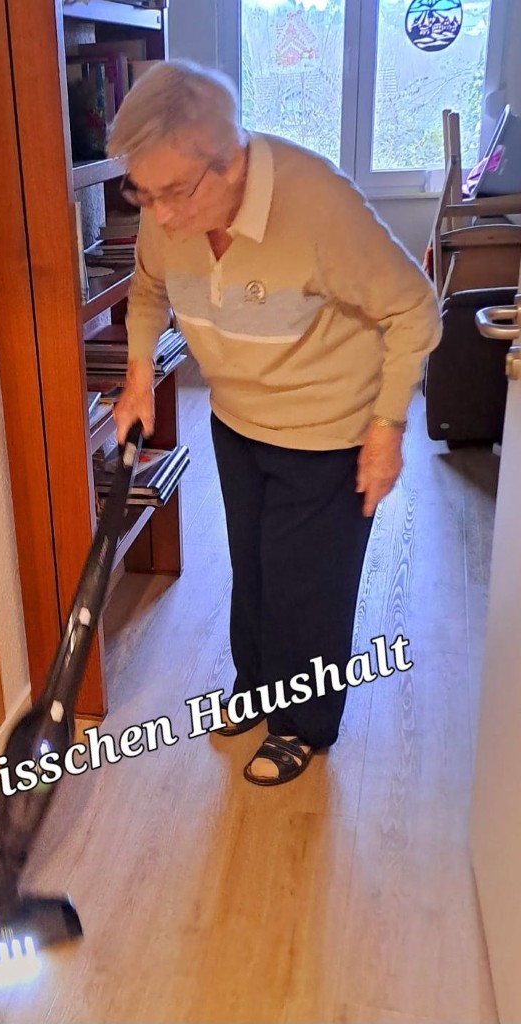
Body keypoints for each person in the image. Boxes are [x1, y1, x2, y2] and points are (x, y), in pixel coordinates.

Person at [107, 60, 441, 786]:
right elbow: (148, 289)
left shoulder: (316, 203)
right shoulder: (171, 209)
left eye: (173, 193)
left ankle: (303, 724)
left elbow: (415, 307)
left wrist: (387, 428)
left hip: (328, 429)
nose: (158, 216)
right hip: (237, 420)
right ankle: (259, 687)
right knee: (255, 567)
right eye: (141, 192)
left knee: (307, 586)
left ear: (229, 162)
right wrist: (137, 379)